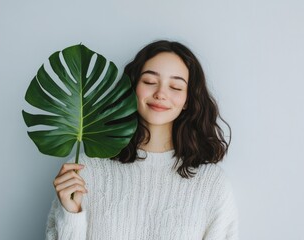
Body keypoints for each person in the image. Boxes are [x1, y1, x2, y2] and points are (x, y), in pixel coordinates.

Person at [46, 40, 239, 240]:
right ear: (133, 86)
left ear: (187, 100)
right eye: (149, 82)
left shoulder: (212, 185)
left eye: (175, 86)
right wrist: (71, 215)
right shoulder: (85, 171)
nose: (161, 94)